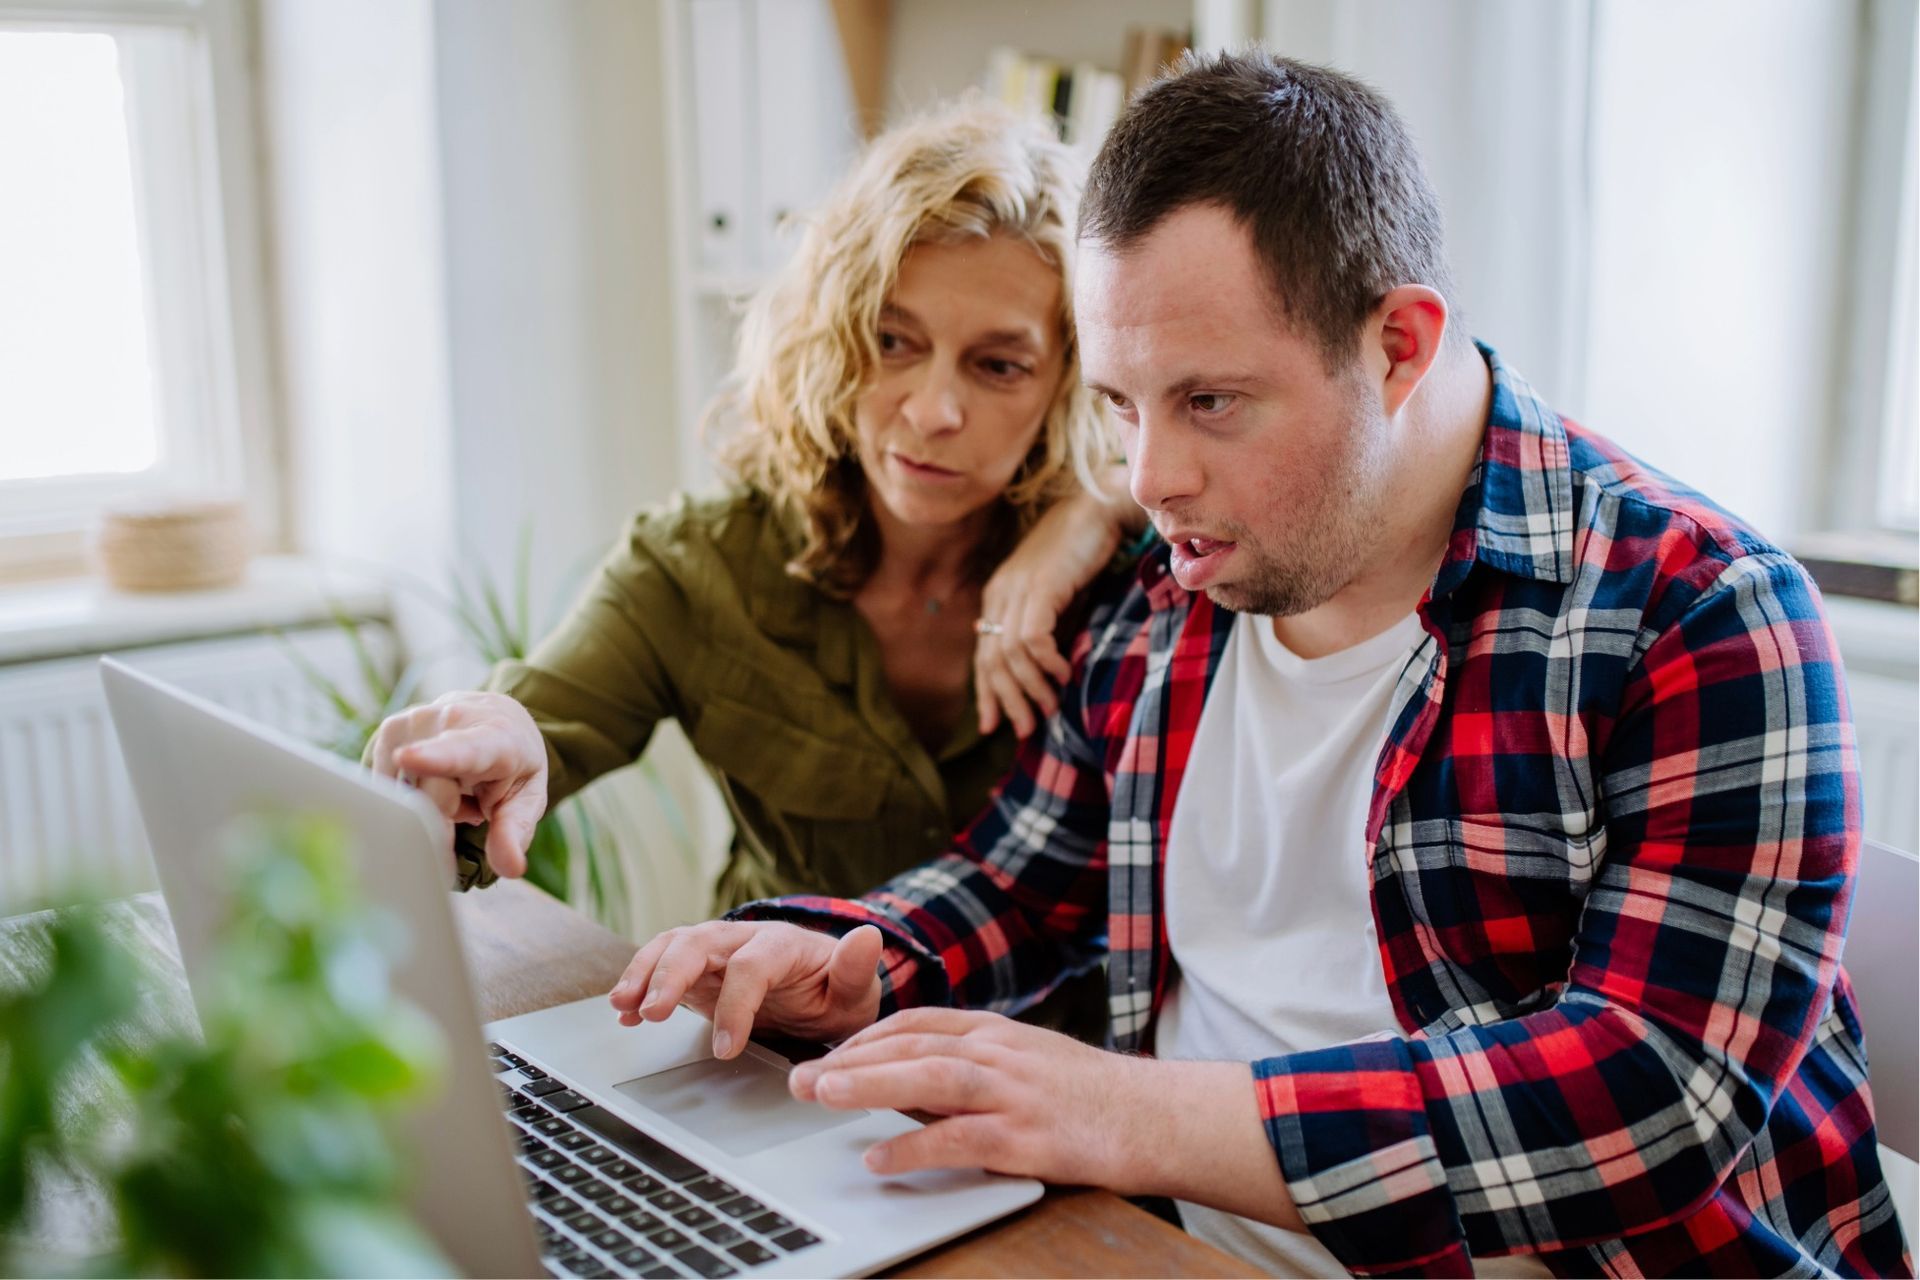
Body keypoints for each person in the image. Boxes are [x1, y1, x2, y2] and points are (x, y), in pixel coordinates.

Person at [606, 52, 1913, 1278]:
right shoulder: (1183, 579)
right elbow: (1027, 883)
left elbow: (1657, 1096)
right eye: (1119, 405)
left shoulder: (1697, 614)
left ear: (1397, 344)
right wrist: (857, 959)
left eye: (1209, 402)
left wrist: (1137, 1117)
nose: (1148, 479)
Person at [365, 101, 1140, 915]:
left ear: (1071, 382)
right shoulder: (700, 569)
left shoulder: (1116, 578)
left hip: (1040, 1038)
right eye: (893, 341)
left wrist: (1095, 512)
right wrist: (490, 747)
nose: (932, 410)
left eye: (998, 366)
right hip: (767, 1033)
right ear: (833, 334)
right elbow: (533, 723)